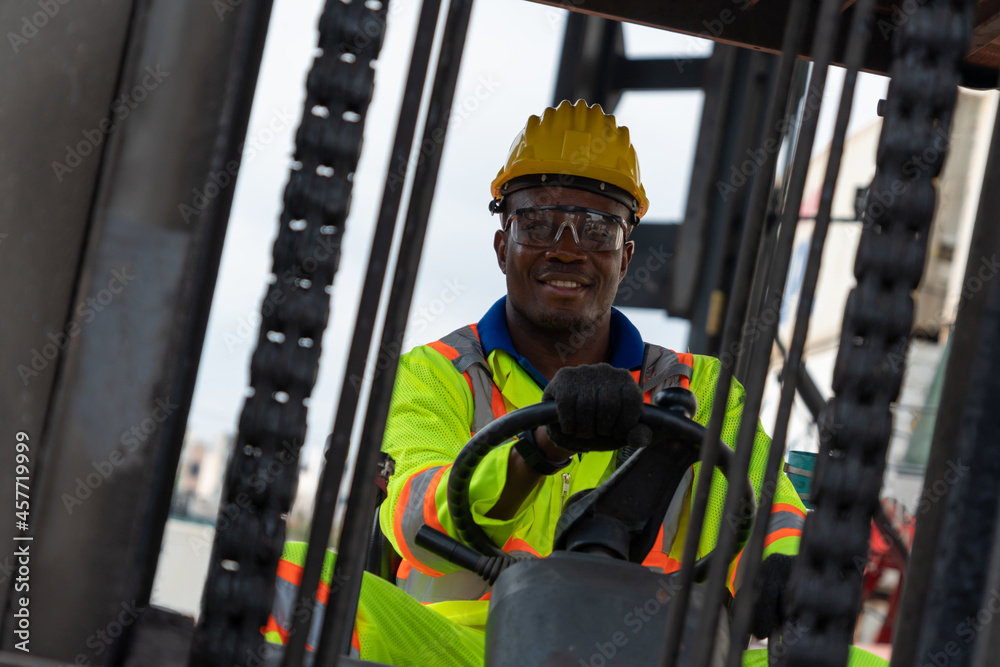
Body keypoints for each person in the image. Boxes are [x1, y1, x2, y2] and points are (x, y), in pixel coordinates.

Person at [266, 100, 809, 665]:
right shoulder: (438, 373)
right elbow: (413, 512)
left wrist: (788, 564)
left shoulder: (698, 387)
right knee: (283, 580)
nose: (566, 248)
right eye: (539, 223)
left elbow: (767, 511)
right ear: (504, 246)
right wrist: (541, 447)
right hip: (466, 648)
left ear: (624, 256)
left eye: (597, 228)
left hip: (652, 652)